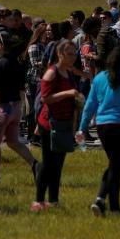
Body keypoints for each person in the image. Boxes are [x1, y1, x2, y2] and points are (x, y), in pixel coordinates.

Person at [79, 45, 120, 216]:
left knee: (114, 165)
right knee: (116, 166)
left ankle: (114, 206)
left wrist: (82, 127)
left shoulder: (100, 78)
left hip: (102, 127)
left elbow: (89, 105)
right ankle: (101, 199)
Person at [0, 31, 38, 184]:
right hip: (15, 108)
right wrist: (20, 108)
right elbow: (22, 89)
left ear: (0, 46)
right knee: (13, 142)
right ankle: (35, 164)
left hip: (1, 108)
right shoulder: (18, 63)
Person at [33, 39, 81, 211]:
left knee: (58, 164)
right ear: (60, 54)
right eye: (69, 53)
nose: (73, 57)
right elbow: (45, 98)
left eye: (74, 53)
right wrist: (67, 93)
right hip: (50, 123)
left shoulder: (69, 72)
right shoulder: (51, 73)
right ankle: (38, 201)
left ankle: (53, 200)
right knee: (48, 164)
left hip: (64, 122)